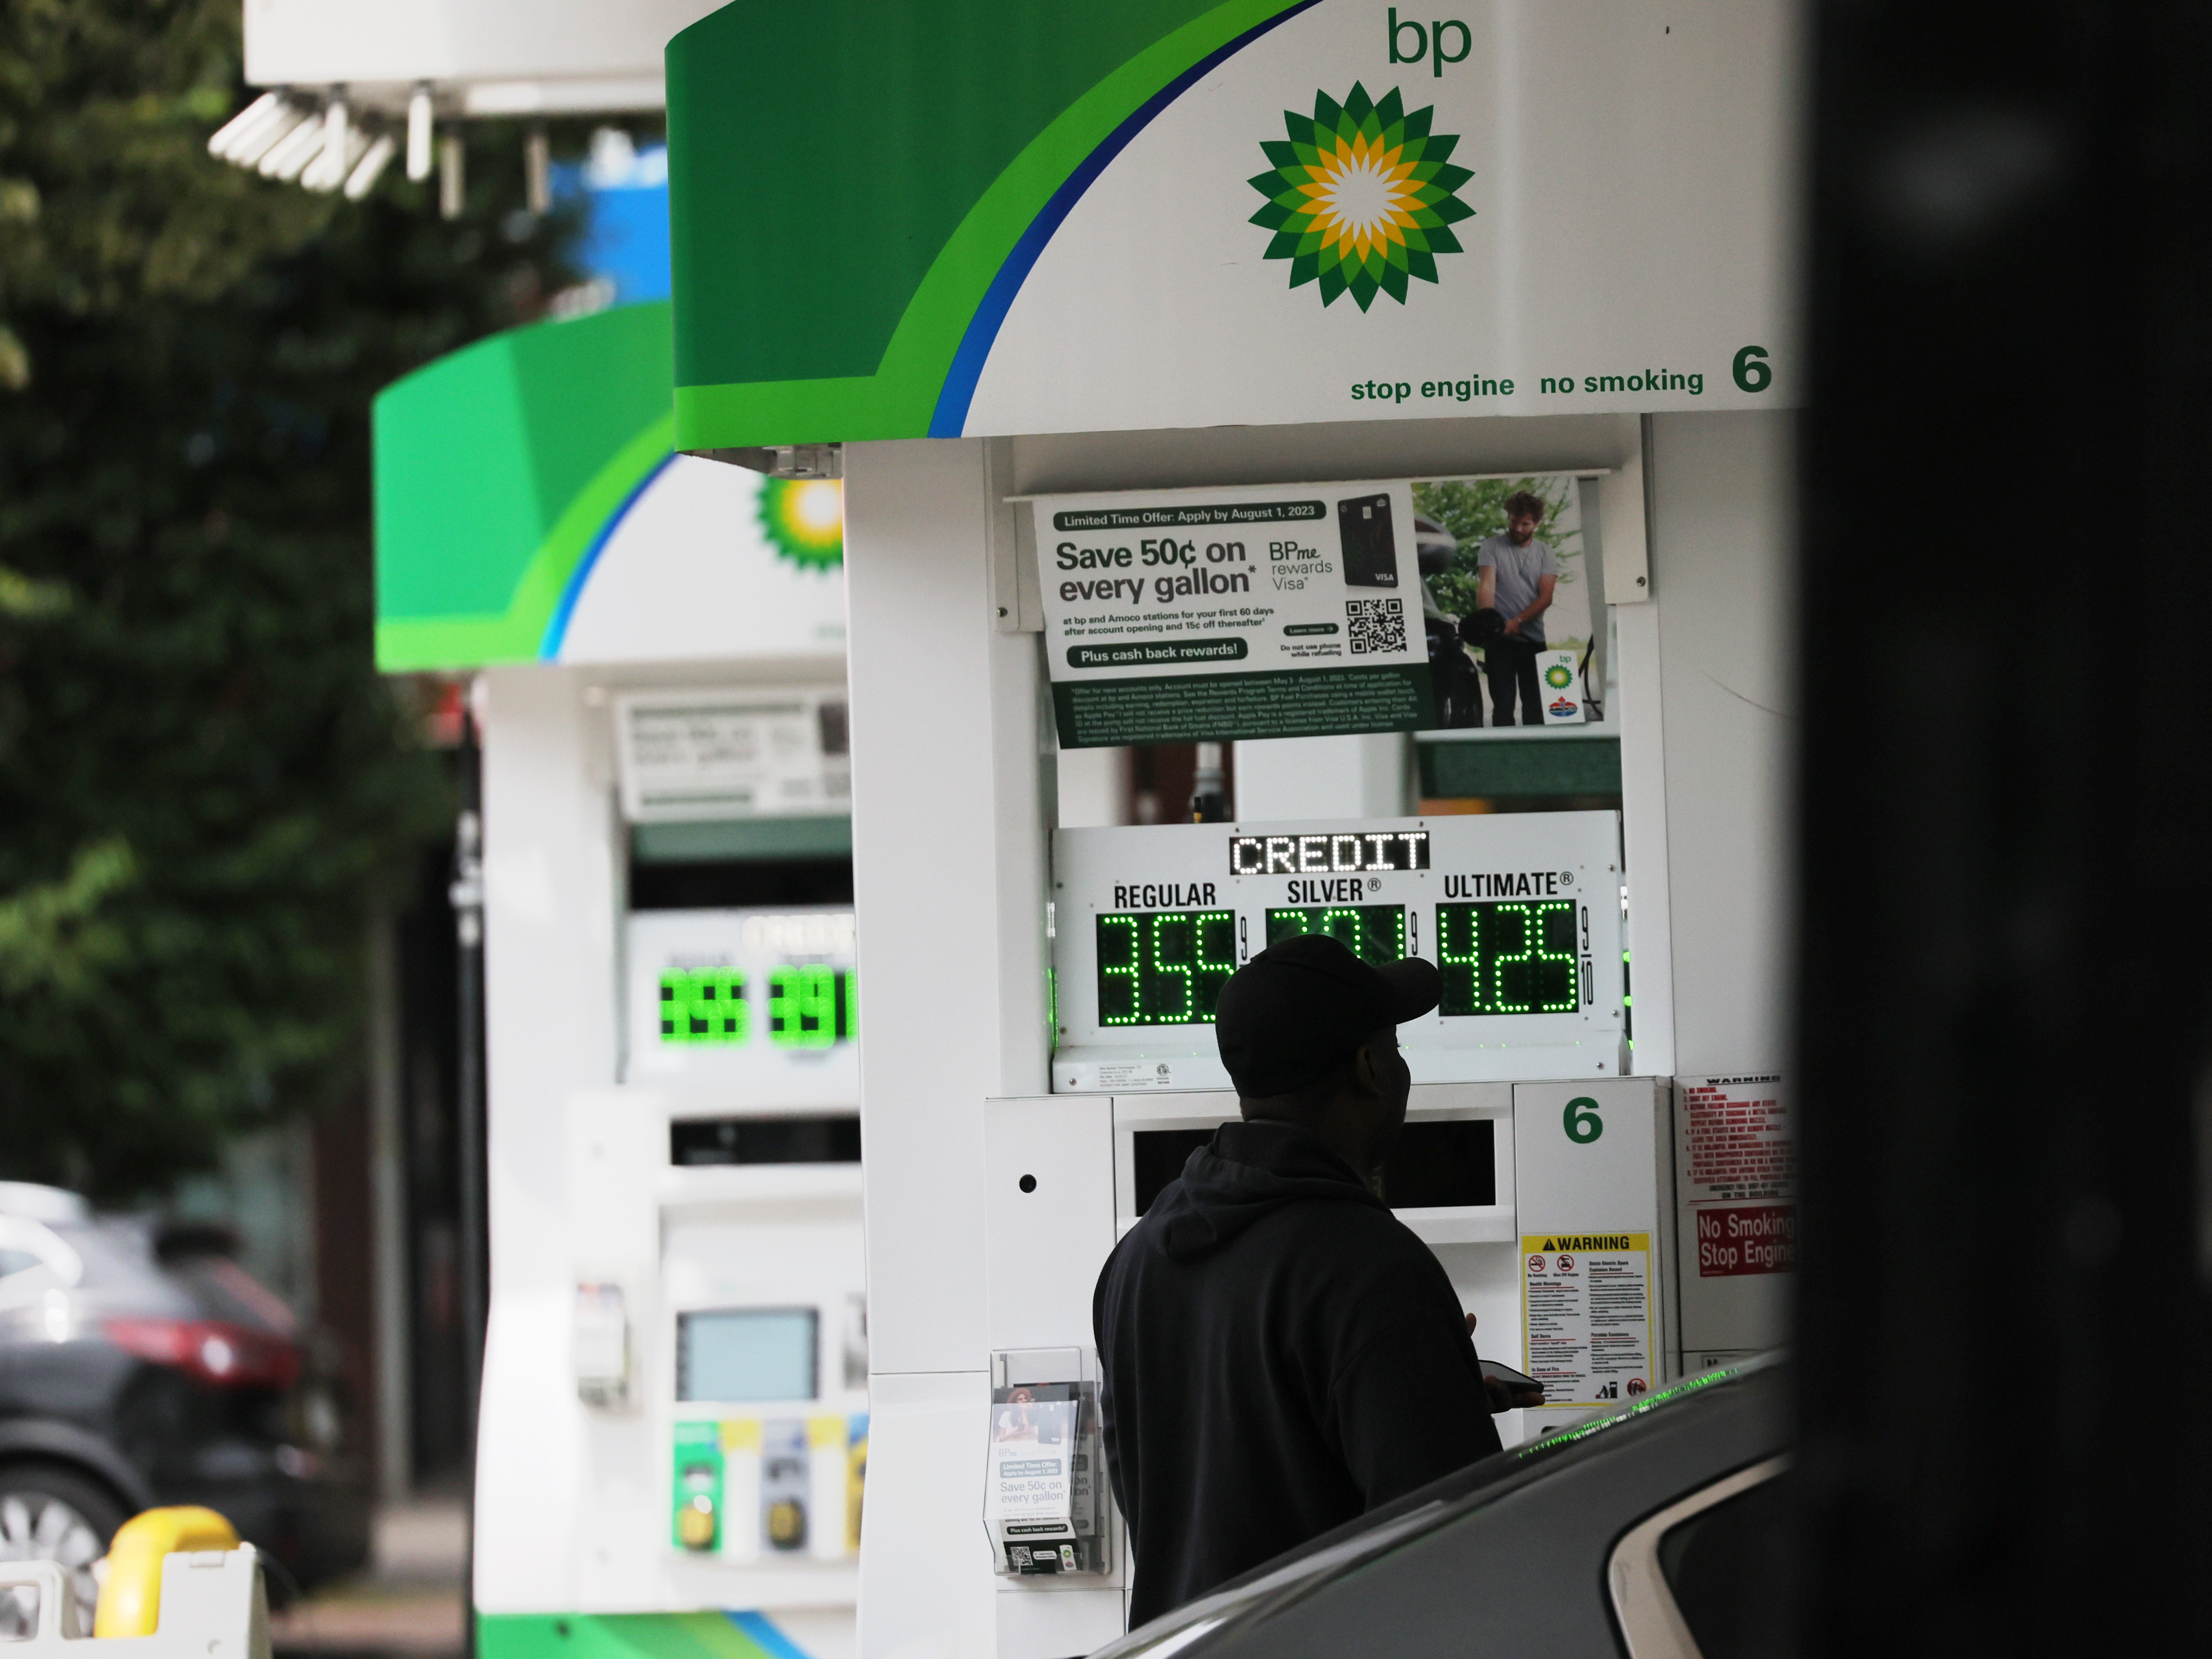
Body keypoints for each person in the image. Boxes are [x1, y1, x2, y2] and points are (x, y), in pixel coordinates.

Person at [1093, 934, 1542, 1623]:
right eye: (1394, 1046)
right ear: (1367, 1067)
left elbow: (1168, 1487)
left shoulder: (1135, 1259)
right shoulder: (1370, 1266)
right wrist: (1419, 1393)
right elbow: (1448, 1547)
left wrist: (1415, 1391)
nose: (1399, 1068)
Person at [1475, 491, 1559, 725]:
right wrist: (1493, 625)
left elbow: (1546, 597)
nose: (1519, 529)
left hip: (1533, 640)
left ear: (1537, 524)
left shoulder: (1546, 553)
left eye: (1526, 524)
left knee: (1536, 708)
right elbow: (1487, 586)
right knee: (1502, 707)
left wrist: (1517, 622)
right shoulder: (1491, 547)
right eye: (1514, 522)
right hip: (1499, 641)